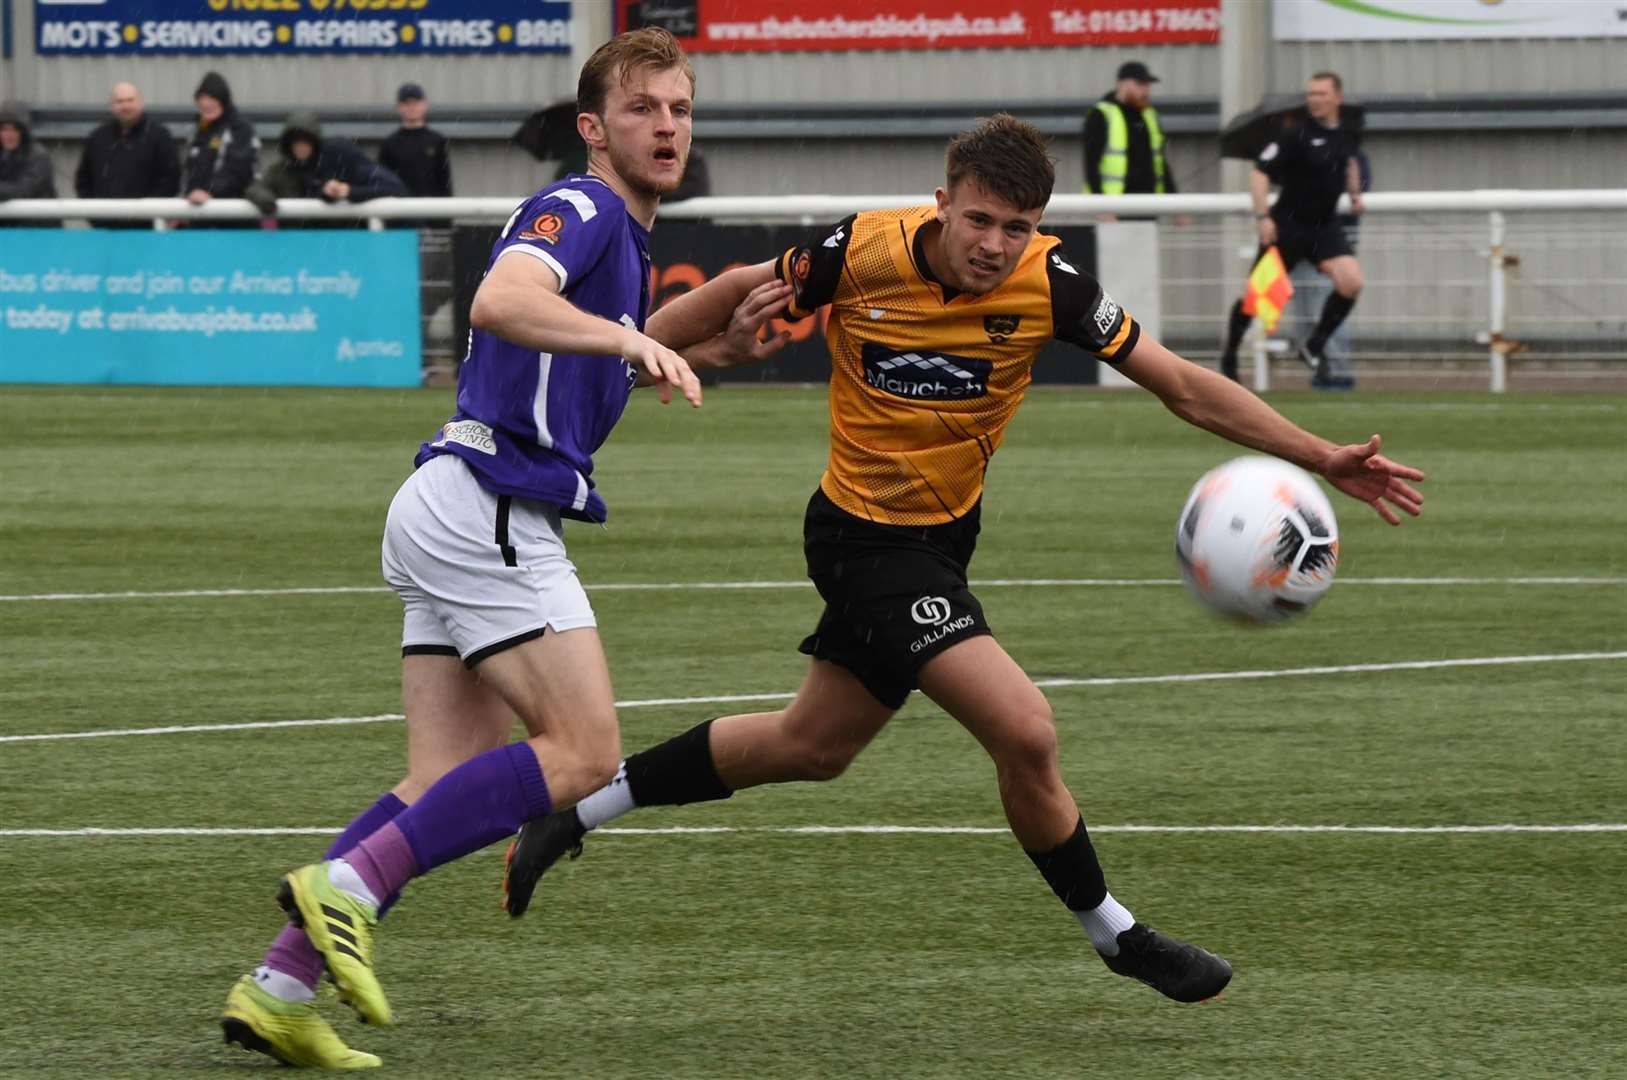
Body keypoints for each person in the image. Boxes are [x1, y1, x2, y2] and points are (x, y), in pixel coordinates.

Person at [501, 114, 1426, 1008]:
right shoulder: (860, 251)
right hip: (859, 540)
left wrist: (1321, 456)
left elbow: (1182, 385)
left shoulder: (1052, 286)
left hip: (942, 543)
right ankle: (1118, 935)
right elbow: (740, 283)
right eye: (977, 219)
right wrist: (631, 351)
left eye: (1014, 227)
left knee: (811, 746)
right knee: (1024, 729)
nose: (991, 243)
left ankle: (573, 813)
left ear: (1038, 228)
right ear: (941, 203)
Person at [219, 28, 781, 1069]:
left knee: (442, 780)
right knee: (585, 753)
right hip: (489, 507)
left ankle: (280, 986)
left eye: (680, 108)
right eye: (642, 108)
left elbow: (578, 360)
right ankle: (344, 889)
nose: (666, 125)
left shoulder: (625, 242)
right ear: (592, 128)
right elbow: (499, 298)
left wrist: (698, 343)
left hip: (450, 502)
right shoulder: (585, 207)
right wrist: (629, 336)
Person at [1220, 72, 1365, 385]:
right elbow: (1259, 174)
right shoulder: (1294, 133)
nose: (1315, 99)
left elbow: (1349, 163)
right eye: (1311, 94)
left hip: (1324, 227)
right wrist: (1263, 217)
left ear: (1337, 97)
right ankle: (1230, 355)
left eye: (1322, 94)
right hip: (1288, 226)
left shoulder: (1348, 133)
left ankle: (1313, 346)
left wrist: (1355, 195)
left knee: (1351, 282)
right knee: (1258, 299)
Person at [1287, 149, 1371, 390]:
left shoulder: (1348, 152)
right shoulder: (1298, 148)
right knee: (1307, 317)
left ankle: (1338, 375)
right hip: (1303, 242)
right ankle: (1323, 372)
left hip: (1327, 243)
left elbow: (1355, 188)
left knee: (1323, 310)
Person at [245, 112, 406, 222]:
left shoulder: (336, 161)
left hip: (336, 244)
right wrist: (268, 203)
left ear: (314, 142)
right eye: (296, 142)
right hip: (296, 245)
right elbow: (256, 188)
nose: (301, 147)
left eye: (305, 141)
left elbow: (393, 187)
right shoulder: (280, 170)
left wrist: (348, 191)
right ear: (288, 145)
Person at [73, 82, 181, 228]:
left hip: (146, 231)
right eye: (120, 101)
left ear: (141, 103)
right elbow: (84, 180)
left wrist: (147, 212)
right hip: (105, 230)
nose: (125, 106)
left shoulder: (160, 137)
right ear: (112, 106)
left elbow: (171, 179)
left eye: (130, 100)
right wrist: (95, 216)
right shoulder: (98, 137)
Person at [1084, 61, 1179, 211]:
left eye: (1148, 84)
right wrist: (1101, 207)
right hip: (1114, 206)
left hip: (1149, 204)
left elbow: (1160, 163)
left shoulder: (1149, 115)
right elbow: (1091, 164)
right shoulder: (1101, 114)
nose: (1146, 90)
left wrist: (1176, 205)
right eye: (1140, 83)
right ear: (1121, 83)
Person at [182, 72, 260, 209]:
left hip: (233, 215)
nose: (206, 103)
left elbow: (239, 171)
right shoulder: (197, 131)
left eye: (212, 98)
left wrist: (209, 192)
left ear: (223, 100)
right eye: (201, 98)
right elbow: (189, 172)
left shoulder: (240, 128)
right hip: (197, 214)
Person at [378, 83, 452, 199]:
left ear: (425, 104)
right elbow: (382, 181)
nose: (412, 107)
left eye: (416, 102)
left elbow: (445, 181)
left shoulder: (437, 141)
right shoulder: (390, 144)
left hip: (432, 210)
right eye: (407, 103)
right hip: (399, 211)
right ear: (399, 107)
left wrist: (446, 212)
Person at [0, 105, 58, 216]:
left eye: (14, 130)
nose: (8, 135)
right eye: (4, 130)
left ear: (23, 132)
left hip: (39, 227)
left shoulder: (39, 156)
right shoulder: (4, 154)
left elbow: (23, 190)